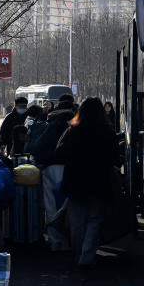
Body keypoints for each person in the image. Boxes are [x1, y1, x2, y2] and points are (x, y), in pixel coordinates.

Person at [45, 97, 120, 266]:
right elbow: (115, 156)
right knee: (95, 220)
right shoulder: (107, 131)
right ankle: (87, 257)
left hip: (75, 182)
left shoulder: (73, 130)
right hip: (100, 182)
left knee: (77, 222)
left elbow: (59, 152)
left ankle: (78, 254)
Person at [31, 93, 76, 251]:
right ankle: (68, 240)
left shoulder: (50, 126)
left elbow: (37, 147)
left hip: (50, 169)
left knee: (50, 205)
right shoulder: (74, 128)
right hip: (70, 169)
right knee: (67, 205)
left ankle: (54, 240)